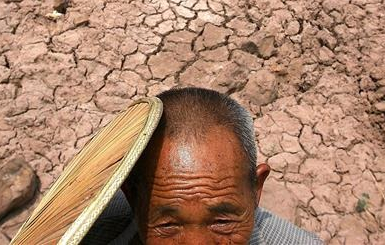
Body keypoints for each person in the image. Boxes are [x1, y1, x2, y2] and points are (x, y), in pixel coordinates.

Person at [82, 87, 322, 244]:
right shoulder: (91, 228)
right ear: (132, 197)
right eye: (169, 225)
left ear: (256, 188)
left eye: (222, 222)